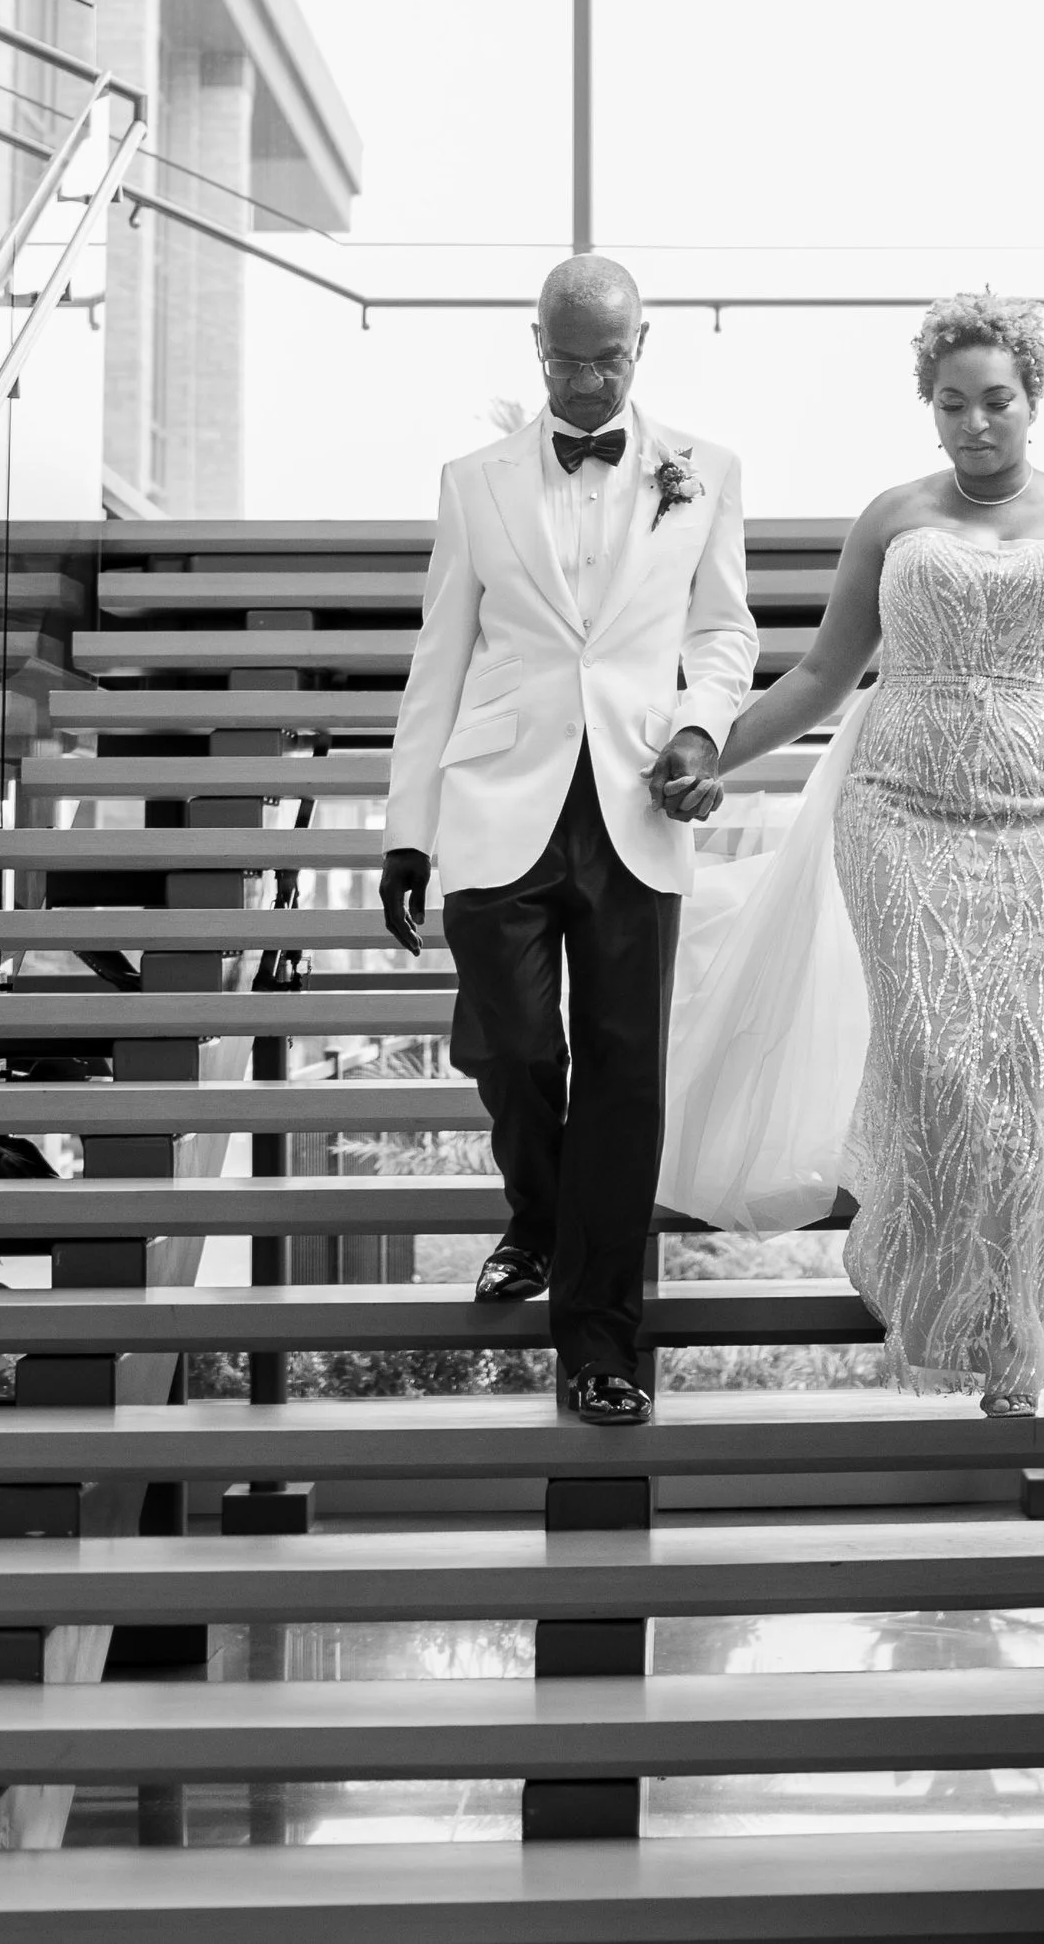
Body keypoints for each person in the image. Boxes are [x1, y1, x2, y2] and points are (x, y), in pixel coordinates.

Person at [655, 288, 1044, 1415]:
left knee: (1023, 1060)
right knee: (937, 1055)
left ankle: (1012, 1334)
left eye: (995, 401)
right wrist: (713, 750)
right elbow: (818, 676)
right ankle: (939, 1299)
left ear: (1031, 398)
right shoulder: (892, 516)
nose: (974, 425)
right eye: (951, 404)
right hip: (898, 809)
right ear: (931, 407)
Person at [378, 254, 754, 1427]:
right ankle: (535, 1211)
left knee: (624, 1077)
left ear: (640, 348)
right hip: (498, 796)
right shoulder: (473, 480)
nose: (586, 380)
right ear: (532, 345)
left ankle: (599, 1341)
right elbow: (440, 654)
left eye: (608, 357)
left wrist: (701, 730)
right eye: (564, 357)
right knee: (510, 1047)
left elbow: (725, 630)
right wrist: (406, 835)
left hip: (638, 799)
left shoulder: (708, 472)